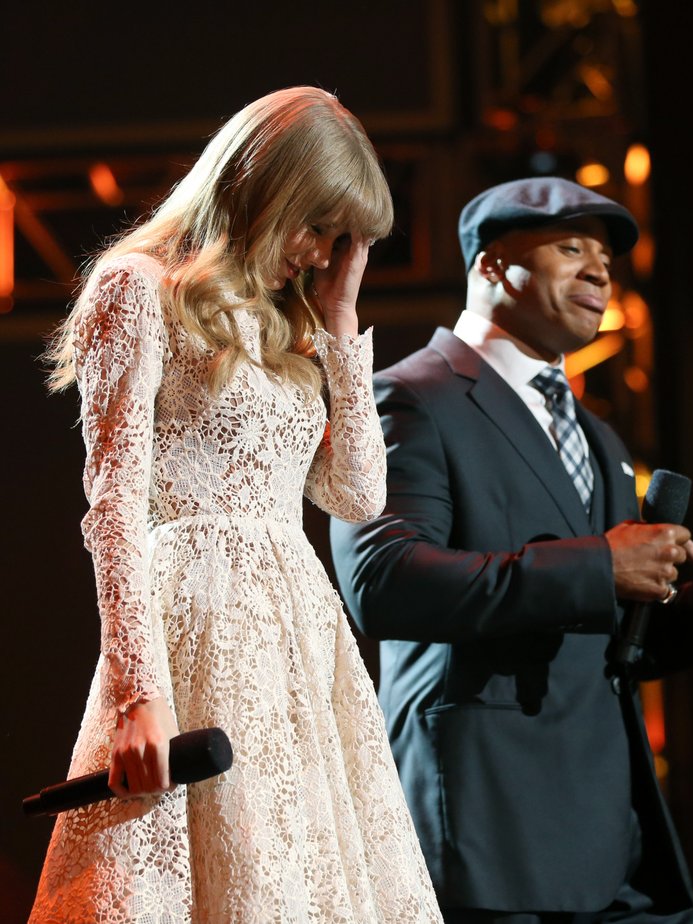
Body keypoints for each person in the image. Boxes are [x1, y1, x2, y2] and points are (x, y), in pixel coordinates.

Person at [28, 87, 442, 923]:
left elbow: (357, 494)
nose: (325, 254)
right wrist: (140, 696)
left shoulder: (285, 325)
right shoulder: (138, 288)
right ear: (268, 188)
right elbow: (112, 506)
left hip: (296, 636)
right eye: (319, 227)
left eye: (342, 240)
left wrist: (339, 322)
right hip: (197, 624)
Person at [329, 177, 693, 923]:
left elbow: (605, 642)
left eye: (605, 257)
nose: (601, 271)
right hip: (486, 829)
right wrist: (602, 564)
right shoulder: (410, 397)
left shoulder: (597, 437)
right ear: (493, 266)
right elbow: (384, 582)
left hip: (609, 839)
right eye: (572, 248)